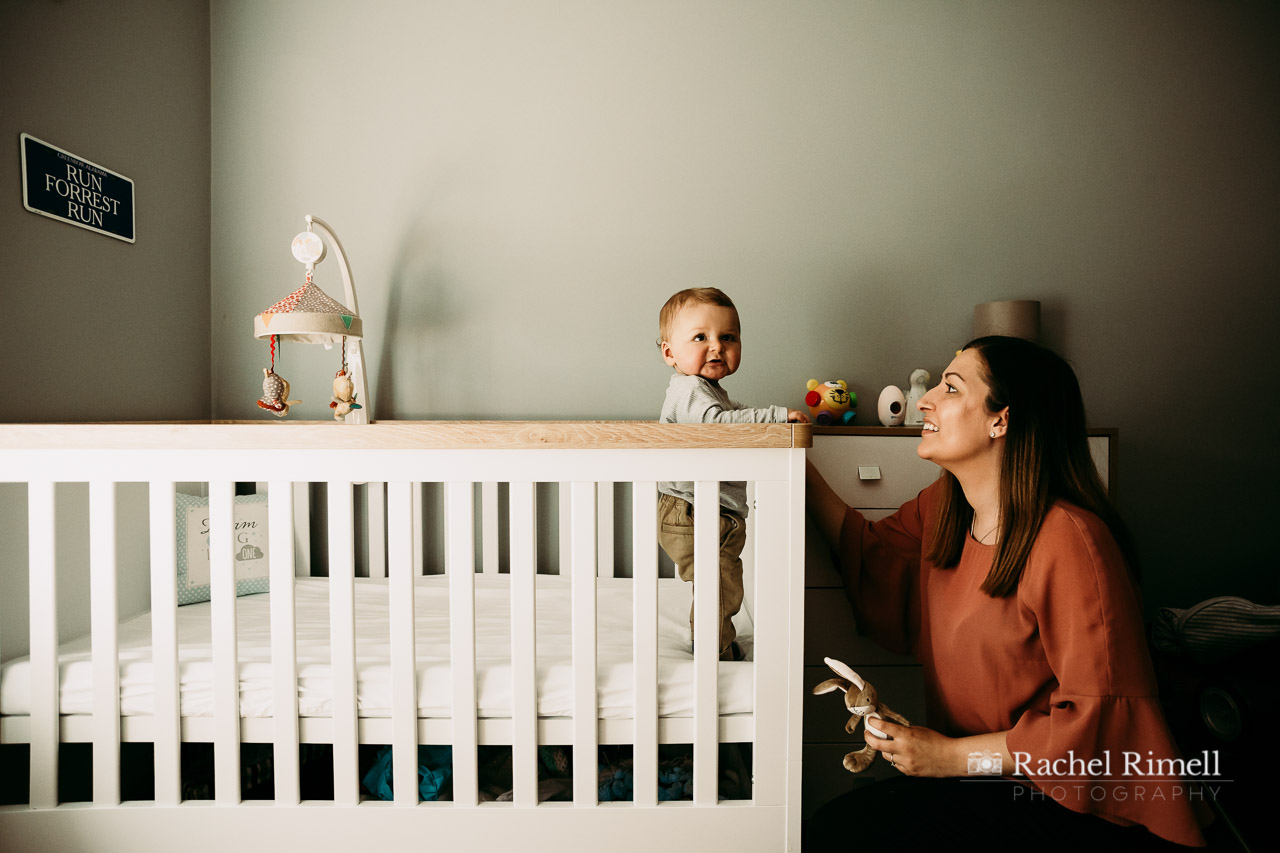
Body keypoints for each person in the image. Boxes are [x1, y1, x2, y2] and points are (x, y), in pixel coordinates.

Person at [805, 336, 1207, 849]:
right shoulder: (944, 508)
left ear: (1001, 420)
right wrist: (791, 455)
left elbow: (1098, 729)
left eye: (950, 388)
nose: (926, 400)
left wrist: (951, 757)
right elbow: (868, 555)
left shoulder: (1071, 540)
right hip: (980, 785)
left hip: (1072, 804)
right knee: (829, 829)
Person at [655, 287, 809, 661]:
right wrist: (774, 417)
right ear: (669, 352)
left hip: (704, 509)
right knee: (720, 579)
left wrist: (769, 417)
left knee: (720, 577)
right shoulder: (691, 390)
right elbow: (719, 425)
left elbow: (734, 411)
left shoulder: (710, 391)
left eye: (728, 337)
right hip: (693, 509)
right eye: (700, 337)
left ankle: (713, 636)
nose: (716, 347)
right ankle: (713, 647)